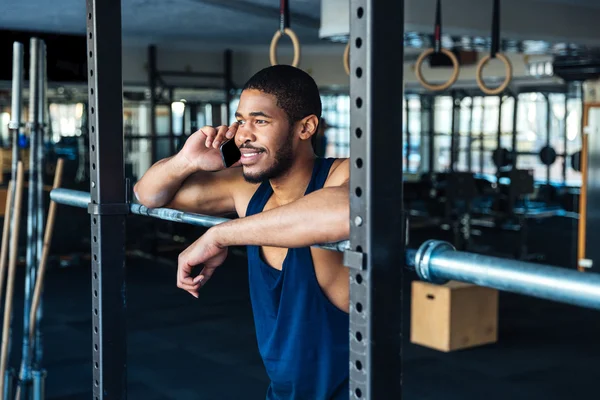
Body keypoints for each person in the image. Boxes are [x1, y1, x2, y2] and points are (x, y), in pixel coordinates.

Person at [134, 65, 350, 400]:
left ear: (305, 127)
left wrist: (219, 235)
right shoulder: (248, 191)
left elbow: (345, 212)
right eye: (240, 120)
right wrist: (188, 161)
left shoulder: (342, 174)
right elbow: (149, 194)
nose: (242, 135)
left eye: (260, 121)